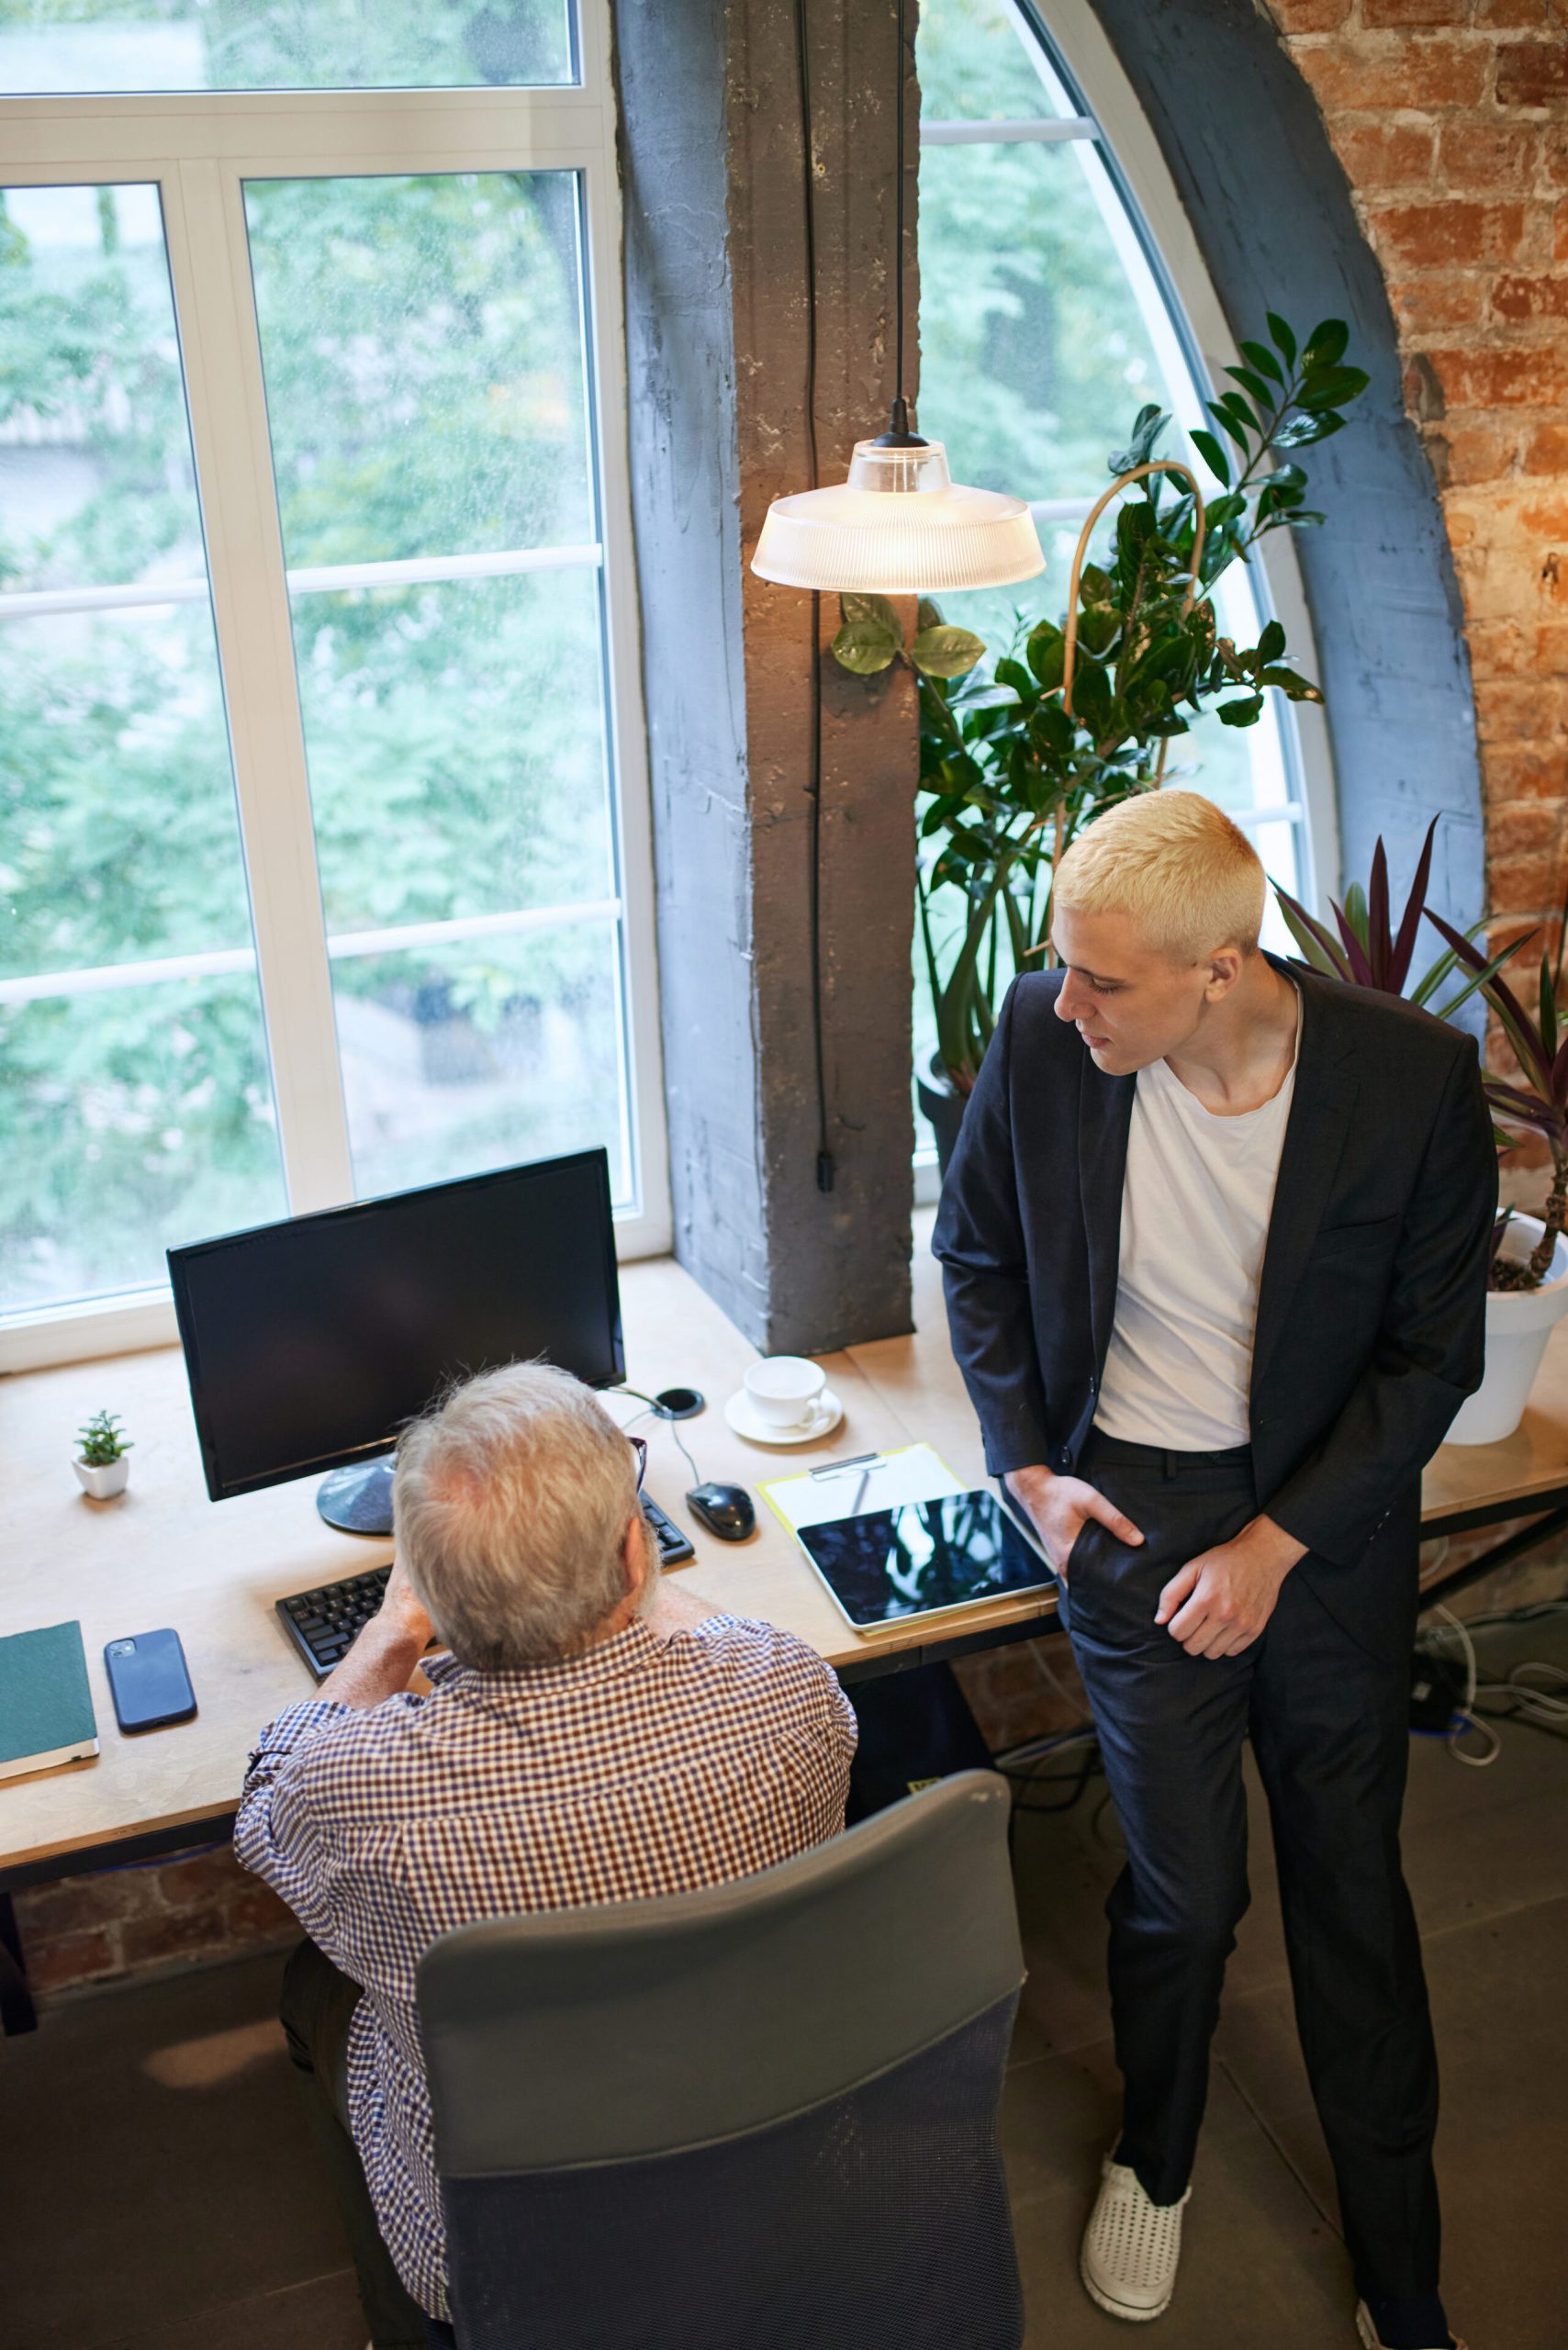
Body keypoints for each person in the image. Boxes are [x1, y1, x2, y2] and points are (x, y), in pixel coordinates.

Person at [934, 791, 1494, 2350]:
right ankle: (1153, 2153)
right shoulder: (1052, 1043)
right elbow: (973, 1250)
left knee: (1348, 1894)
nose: (1064, 1003)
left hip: (1321, 1525)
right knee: (1184, 1900)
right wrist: (1025, 1468)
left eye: (1103, 981)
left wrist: (1275, 1545)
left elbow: (1426, 1359)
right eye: (1063, 969)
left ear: (1224, 969)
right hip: (1126, 1510)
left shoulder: (1408, 1079)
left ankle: (1400, 2269)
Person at [236, 1362, 857, 2350]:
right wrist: (623, 1578)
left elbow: (267, 1798)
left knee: (315, 1980)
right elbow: (728, 1639)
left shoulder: (357, 1797)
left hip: (508, 2252)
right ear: (633, 1546)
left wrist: (398, 1623)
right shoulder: (793, 1697)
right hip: (769, 2161)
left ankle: (406, 2325)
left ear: (431, 1589)